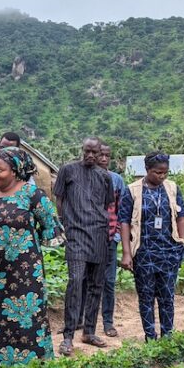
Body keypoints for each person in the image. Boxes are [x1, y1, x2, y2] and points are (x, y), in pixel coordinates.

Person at [0, 147, 63, 368]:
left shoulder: (33, 195)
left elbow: (50, 228)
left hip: (26, 274)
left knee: (28, 322)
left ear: (15, 171)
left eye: (0, 170)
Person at [53, 137, 115, 355]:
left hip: (99, 234)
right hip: (76, 235)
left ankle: (89, 331)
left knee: (96, 285)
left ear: (100, 154)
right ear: (82, 150)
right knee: (76, 281)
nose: (90, 155)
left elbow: (106, 204)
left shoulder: (104, 176)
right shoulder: (68, 170)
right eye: (87, 151)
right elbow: (58, 198)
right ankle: (68, 336)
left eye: (95, 152)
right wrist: (64, 223)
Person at [119, 152, 184, 340]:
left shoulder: (172, 188)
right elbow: (124, 222)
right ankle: (150, 337)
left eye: (165, 172)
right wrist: (127, 253)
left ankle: (167, 337)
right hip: (144, 254)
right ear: (147, 170)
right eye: (158, 172)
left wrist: (182, 242)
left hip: (169, 251)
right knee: (146, 297)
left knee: (167, 297)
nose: (162, 176)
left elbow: (181, 217)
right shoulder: (132, 190)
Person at [97, 142, 126, 337]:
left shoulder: (117, 180)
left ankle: (108, 322)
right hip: (89, 239)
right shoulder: (84, 178)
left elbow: (122, 210)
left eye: (107, 155)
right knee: (84, 281)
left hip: (109, 238)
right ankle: (82, 321)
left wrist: (116, 236)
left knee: (108, 281)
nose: (104, 159)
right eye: (101, 155)